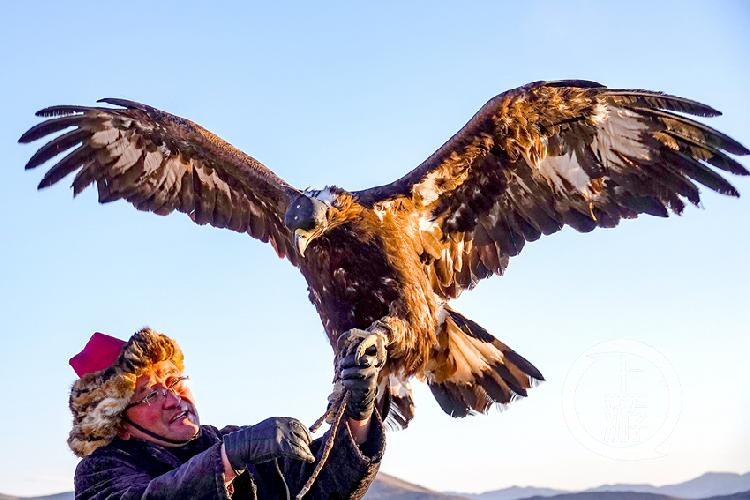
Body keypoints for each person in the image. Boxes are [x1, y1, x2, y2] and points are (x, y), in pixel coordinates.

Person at [68, 327, 386, 499]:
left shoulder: (229, 439)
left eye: (173, 380)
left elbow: (323, 487)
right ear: (119, 424)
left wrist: (358, 411)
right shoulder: (100, 472)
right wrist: (227, 459)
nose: (172, 398)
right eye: (150, 394)